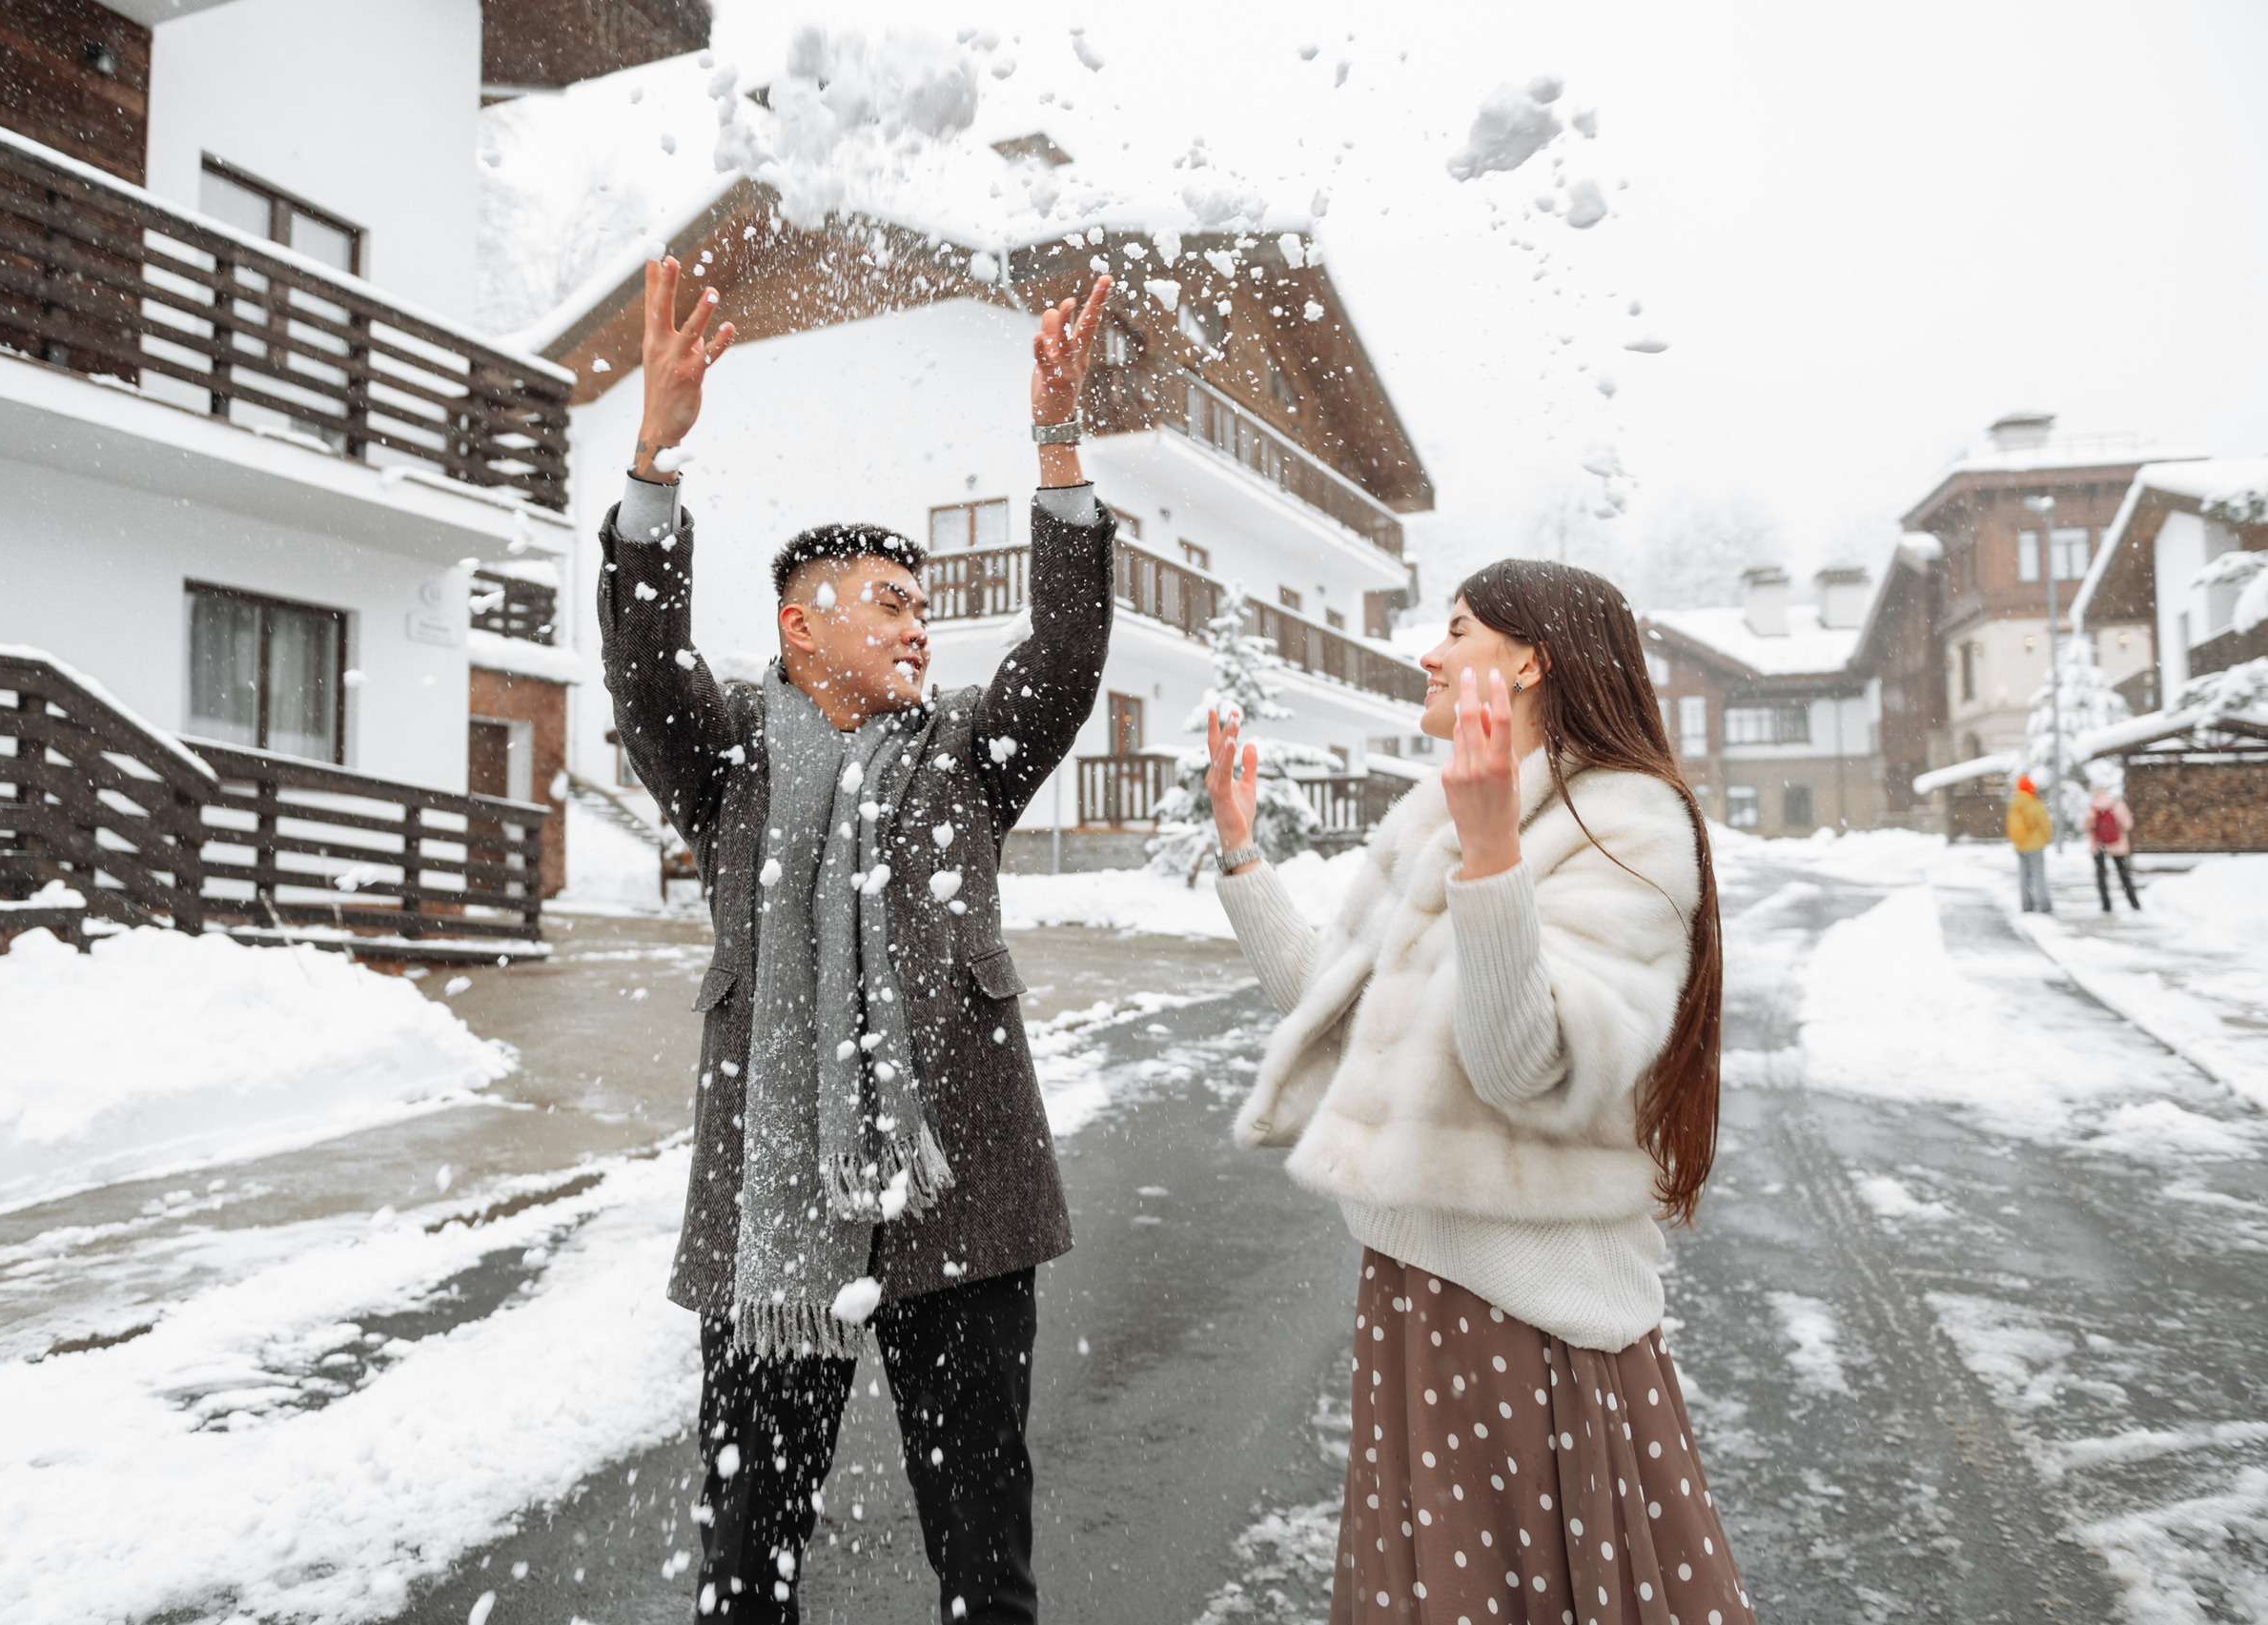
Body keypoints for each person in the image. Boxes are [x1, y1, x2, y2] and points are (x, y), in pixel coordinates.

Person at [598, 259, 1116, 1624]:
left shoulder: (961, 760)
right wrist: (653, 456)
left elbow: (1064, 657)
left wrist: (1056, 443)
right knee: (746, 1568)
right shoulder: (727, 768)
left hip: (964, 1208)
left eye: (918, 596)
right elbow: (643, 665)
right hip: (779, 1224)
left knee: (984, 1571)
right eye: (881, 595)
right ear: (797, 623)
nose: (912, 616)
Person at [1202, 561, 1753, 1624]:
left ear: (1529, 659)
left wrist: (1495, 853)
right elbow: (1343, 1005)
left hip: (1535, 1314)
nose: (1428, 651)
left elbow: (1525, 1068)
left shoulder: (1624, 823)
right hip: (1419, 1285)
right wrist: (1240, 854)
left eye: (1455, 628)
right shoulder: (1436, 815)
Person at [2083, 781, 2140, 912]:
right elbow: (2127, 824)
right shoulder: (2116, 804)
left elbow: (2086, 827)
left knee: (2101, 876)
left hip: (2099, 845)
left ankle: (2106, 905)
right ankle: (2134, 903)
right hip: (2118, 845)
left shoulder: (2092, 807)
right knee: (2123, 874)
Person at [2006, 775, 2053, 914]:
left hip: (2020, 845)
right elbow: (2045, 824)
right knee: (2038, 875)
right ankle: (2044, 905)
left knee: (2024, 877)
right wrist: (2046, 838)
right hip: (2036, 845)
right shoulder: (2033, 803)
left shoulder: (2014, 803)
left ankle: (2026, 905)